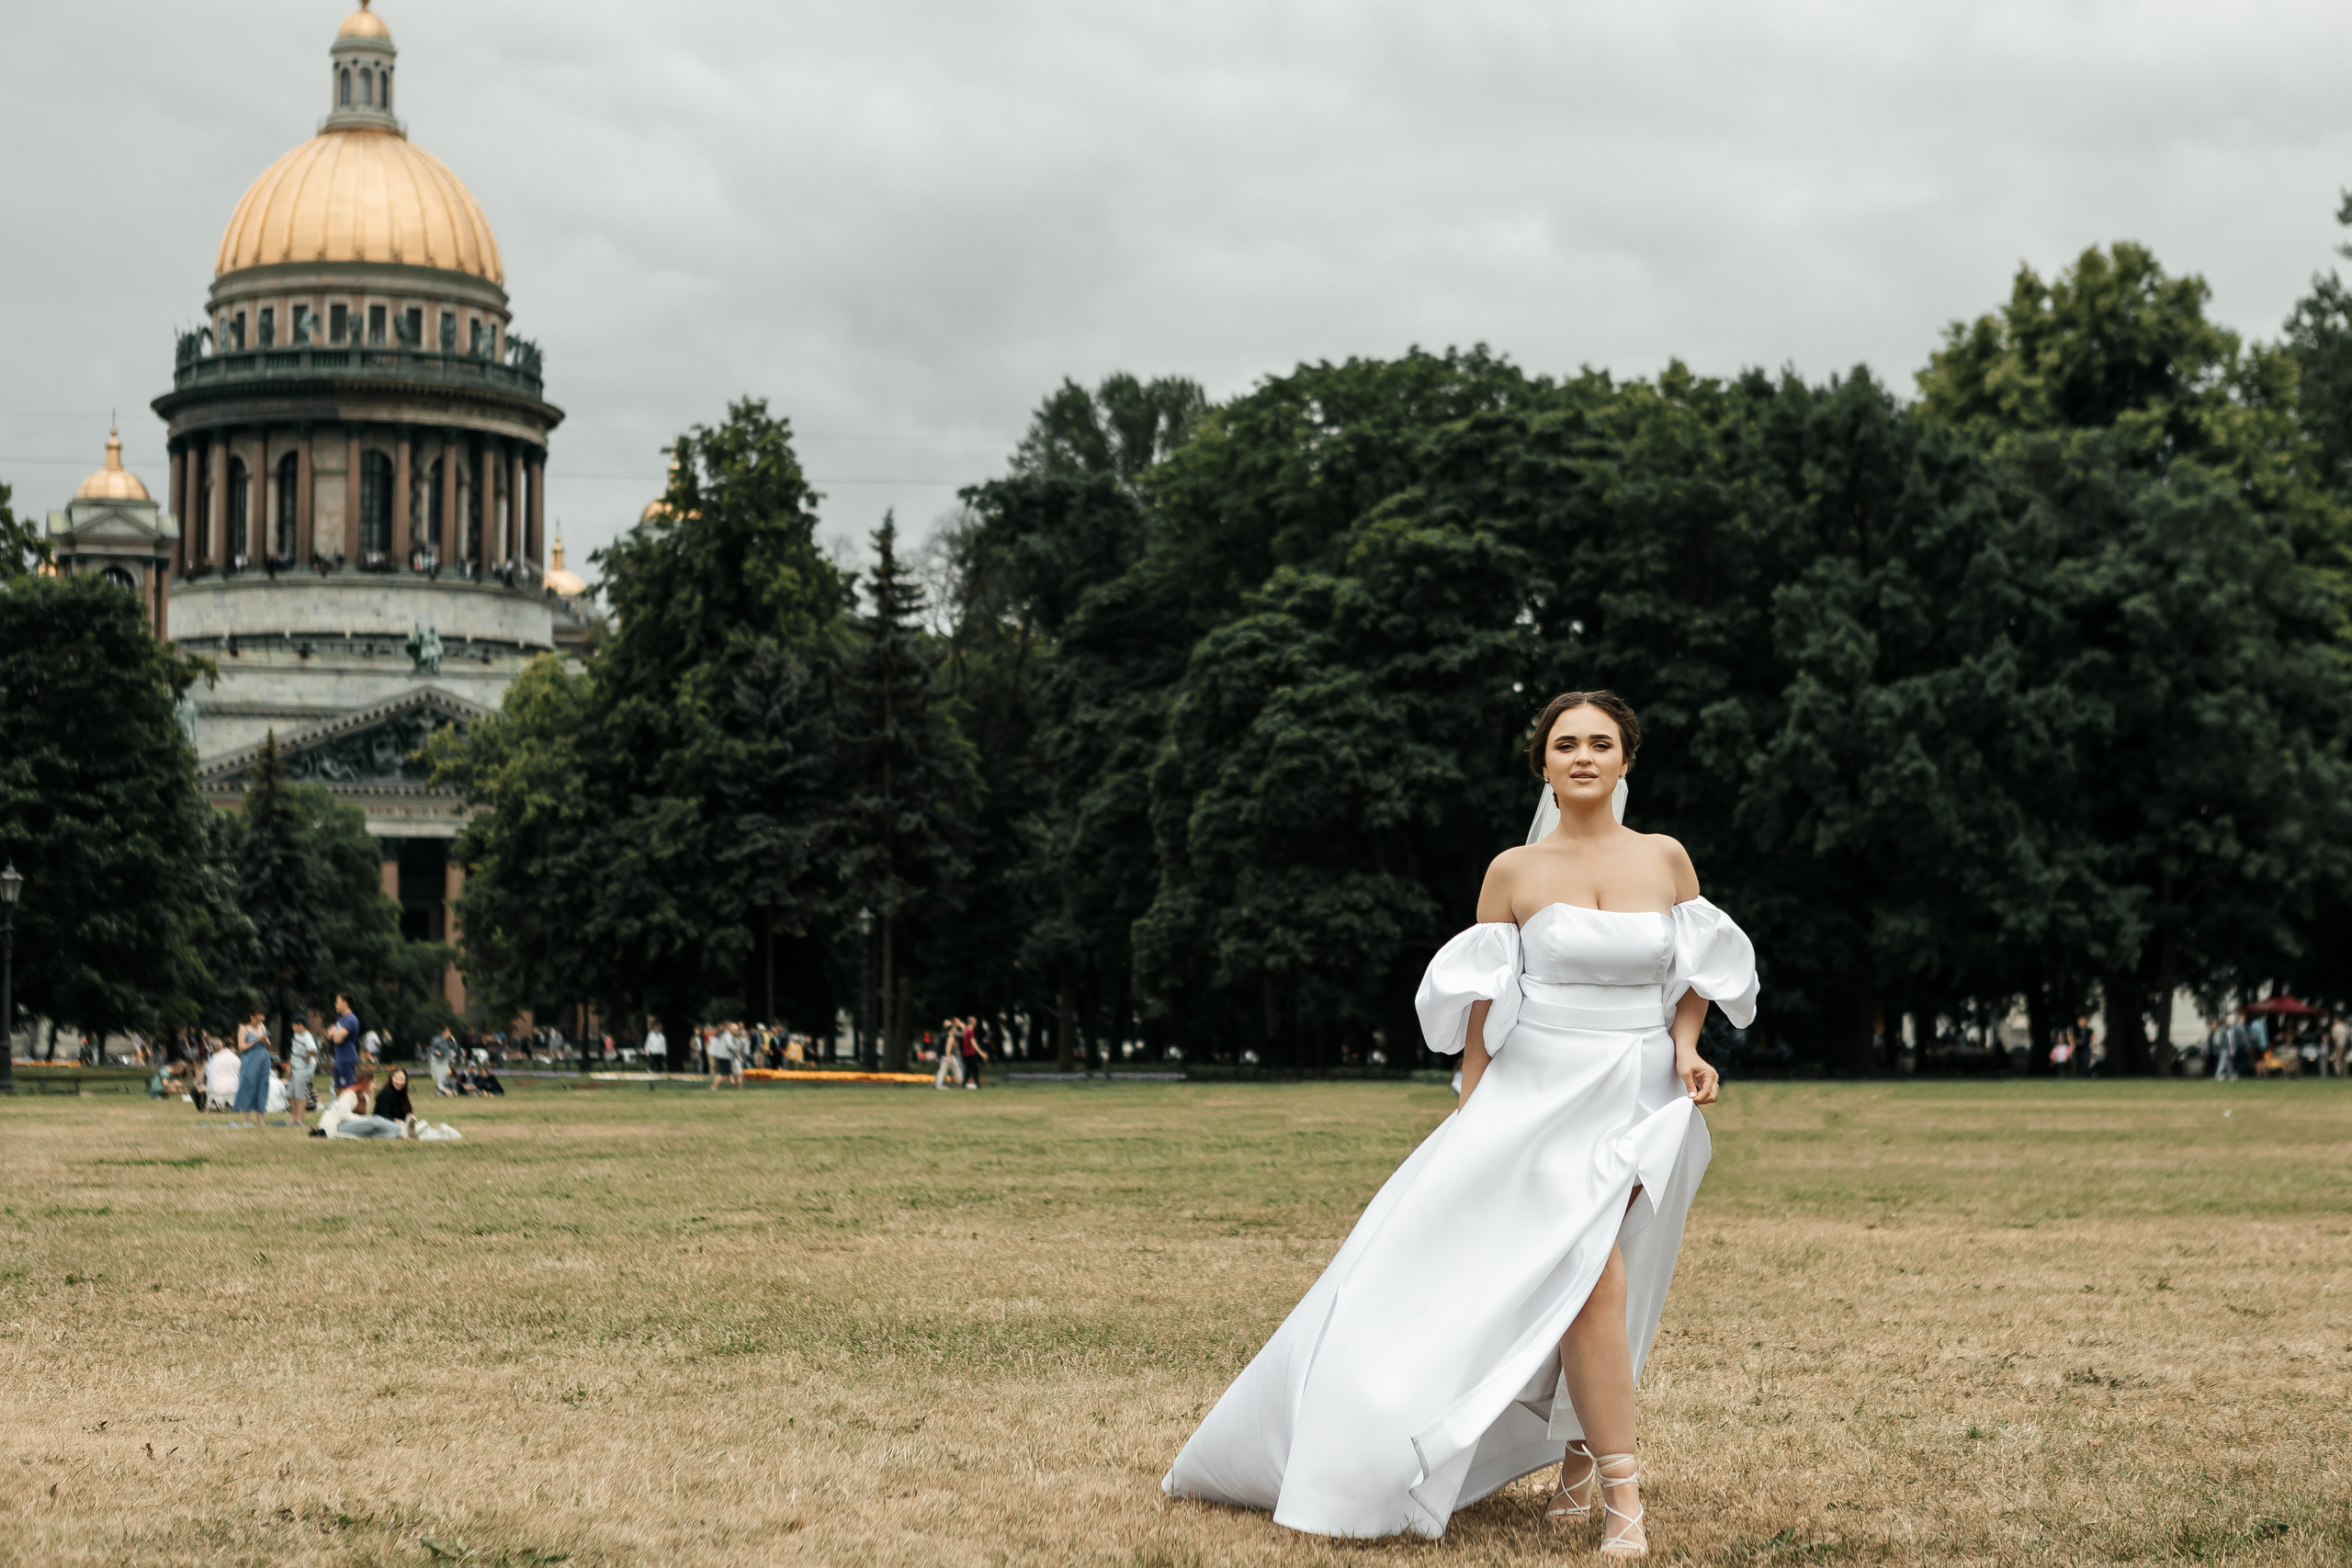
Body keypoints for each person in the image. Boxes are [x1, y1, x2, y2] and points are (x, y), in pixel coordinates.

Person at [1164, 691, 1754, 1553]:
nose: (1582, 756)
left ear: (1628, 760)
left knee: (1602, 1269)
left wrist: (1687, 1047)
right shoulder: (1513, 870)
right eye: (1564, 745)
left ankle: (1593, 1462)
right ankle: (1608, 1477)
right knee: (1572, 1277)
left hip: (1636, 1098)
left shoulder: (1667, 860)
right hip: (1534, 1096)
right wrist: (1472, 1107)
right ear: (1543, 765)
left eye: (1600, 743)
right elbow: (1482, 1002)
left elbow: (1697, 965)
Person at [318, 1070, 404, 1139]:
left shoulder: (366, 1098)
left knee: (376, 1128)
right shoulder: (350, 1095)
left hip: (354, 1125)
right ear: (366, 1083)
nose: (374, 1086)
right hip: (339, 1126)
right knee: (376, 1120)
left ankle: (402, 1132)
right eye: (373, 1083)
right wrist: (361, 1119)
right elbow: (343, 1115)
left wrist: (363, 1120)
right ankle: (401, 1130)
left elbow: (364, 1118)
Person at [327, 994, 360, 1092]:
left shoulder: (351, 1020)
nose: (335, 1004)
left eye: (337, 1002)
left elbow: (337, 1039)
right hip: (339, 1058)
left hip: (347, 1058)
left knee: (346, 1088)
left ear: (345, 1003)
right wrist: (334, 1033)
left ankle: (348, 1107)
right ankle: (341, 1107)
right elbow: (329, 1034)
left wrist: (334, 1032)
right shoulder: (341, 1019)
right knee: (338, 1087)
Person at [288, 1016, 321, 1116]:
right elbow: (293, 1052)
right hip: (295, 1069)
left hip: (304, 1070)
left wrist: (307, 1056)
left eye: (294, 1025)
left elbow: (314, 1050)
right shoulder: (296, 1035)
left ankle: (299, 1120)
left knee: (300, 1095)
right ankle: (294, 1118)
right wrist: (289, 1066)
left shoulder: (307, 1036)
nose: (292, 1026)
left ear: (300, 1025)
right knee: (290, 1094)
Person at [374, 1066, 418, 1135]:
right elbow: (382, 1114)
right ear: (392, 1078)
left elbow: (407, 1110)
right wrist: (395, 1120)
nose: (399, 1082)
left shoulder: (403, 1093)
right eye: (397, 1078)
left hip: (401, 1124)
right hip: (384, 1124)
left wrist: (410, 1116)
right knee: (400, 1128)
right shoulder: (386, 1093)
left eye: (402, 1079)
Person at [933, 1018, 964, 1089]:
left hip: (948, 1056)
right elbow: (947, 1048)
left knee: (953, 1069)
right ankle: (938, 1084)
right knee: (946, 1070)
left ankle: (962, 1082)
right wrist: (947, 1056)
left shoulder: (945, 1035)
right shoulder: (949, 1036)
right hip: (948, 1056)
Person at [958, 1017, 986, 1090]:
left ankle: (964, 1084)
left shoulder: (965, 1030)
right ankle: (977, 1084)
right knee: (975, 1069)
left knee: (969, 1069)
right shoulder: (970, 1031)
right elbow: (973, 1043)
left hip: (965, 1053)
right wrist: (981, 1053)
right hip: (970, 1053)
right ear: (974, 1023)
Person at [707, 1023, 733, 1089]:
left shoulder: (722, 1035)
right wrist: (735, 1049)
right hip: (726, 1057)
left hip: (723, 1056)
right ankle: (714, 1086)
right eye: (733, 1028)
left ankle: (736, 1087)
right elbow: (730, 1046)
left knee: (729, 1074)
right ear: (729, 1028)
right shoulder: (727, 1035)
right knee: (722, 1074)